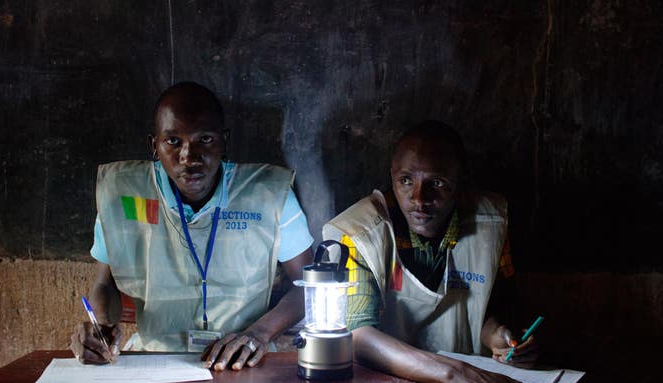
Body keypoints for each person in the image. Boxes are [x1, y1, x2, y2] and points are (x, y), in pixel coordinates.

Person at [70, 82, 314, 371]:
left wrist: (258, 334)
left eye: (205, 139)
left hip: (243, 361)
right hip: (155, 358)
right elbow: (104, 284)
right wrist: (102, 326)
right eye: (173, 141)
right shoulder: (123, 196)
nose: (189, 157)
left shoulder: (270, 196)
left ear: (224, 142)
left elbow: (308, 288)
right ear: (154, 145)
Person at [322, 121, 537, 383]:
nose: (418, 199)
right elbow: (359, 338)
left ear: (460, 183)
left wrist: (498, 336)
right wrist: (454, 373)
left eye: (436, 182)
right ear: (391, 177)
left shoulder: (490, 223)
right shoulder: (359, 233)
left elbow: (484, 308)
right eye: (405, 181)